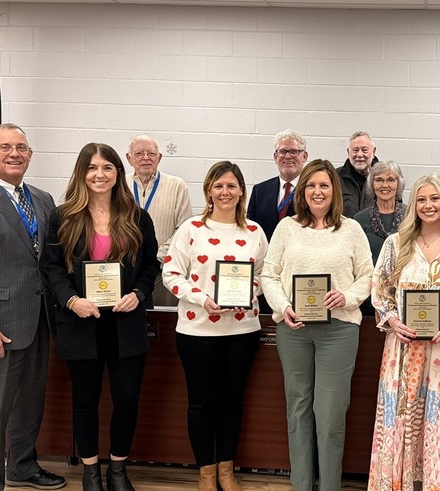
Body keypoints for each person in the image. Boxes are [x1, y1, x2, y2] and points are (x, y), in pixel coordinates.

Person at [41, 143, 159, 491]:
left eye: (107, 167)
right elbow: (51, 268)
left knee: (126, 399)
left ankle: (118, 470)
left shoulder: (137, 217)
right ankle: (91, 471)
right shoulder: (63, 217)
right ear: (82, 173)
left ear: (118, 173)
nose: (99, 174)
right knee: (85, 401)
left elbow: (151, 266)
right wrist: (71, 300)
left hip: (126, 324)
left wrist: (138, 294)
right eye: (92, 168)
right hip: (80, 323)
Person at [261, 159, 372, 491]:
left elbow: (367, 277)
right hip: (293, 330)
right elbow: (269, 275)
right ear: (302, 190)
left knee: (330, 414)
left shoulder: (351, 229)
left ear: (333, 190)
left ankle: (329, 487)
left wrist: (348, 297)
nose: (317, 191)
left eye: (324, 185)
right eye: (310, 185)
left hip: (338, 331)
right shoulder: (286, 228)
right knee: (297, 409)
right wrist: (283, 306)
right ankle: (301, 484)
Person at [0, 123, 66, 490]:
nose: (14, 153)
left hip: (38, 322)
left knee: (29, 405)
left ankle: (22, 466)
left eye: (21, 147)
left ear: (30, 155)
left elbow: (48, 261)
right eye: (5, 147)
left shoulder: (42, 199)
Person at [368, 174, 440, 491]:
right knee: (401, 426)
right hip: (402, 354)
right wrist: (391, 320)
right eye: (421, 199)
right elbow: (379, 290)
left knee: (437, 425)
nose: (428, 205)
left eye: (434, 198)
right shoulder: (396, 244)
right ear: (413, 205)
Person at [162, 161, 268, 491]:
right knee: (201, 404)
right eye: (218, 185)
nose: (225, 192)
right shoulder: (191, 229)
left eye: (231, 186)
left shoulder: (254, 232)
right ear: (209, 190)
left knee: (231, 403)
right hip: (197, 332)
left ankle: (226, 470)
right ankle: (206, 473)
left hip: (242, 331)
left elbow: (266, 275)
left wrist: (248, 292)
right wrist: (201, 298)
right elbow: (170, 274)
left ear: (241, 192)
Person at [126, 134, 192, 306]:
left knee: (161, 325)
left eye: (151, 153)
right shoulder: (119, 186)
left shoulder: (177, 185)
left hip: (163, 271)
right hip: (126, 269)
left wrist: (156, 257)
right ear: (129, 158)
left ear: (159, 157)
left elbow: (183, 229)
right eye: (139, 153)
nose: (146, 158)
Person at [246, 129, 307, 241]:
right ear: (275, 157)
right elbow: (251, 230)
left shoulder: (313, 192)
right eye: (283, 151)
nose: (288, 156)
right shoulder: (259, 191)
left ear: (304, 157)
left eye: (294, 151)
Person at [352, 160, 407, 264]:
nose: (385, 185)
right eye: (379, 180)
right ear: (372, 184)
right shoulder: (359, 219)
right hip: (371, 278)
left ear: (398, 183)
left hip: (406, 277)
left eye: (391, 180)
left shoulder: (410, 214)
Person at [337, 131, 378, 218]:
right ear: (348, 152)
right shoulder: (335, 177)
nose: (359, 155)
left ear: (373, 152)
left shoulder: (385, 177)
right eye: (355, 150)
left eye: (364, 150)